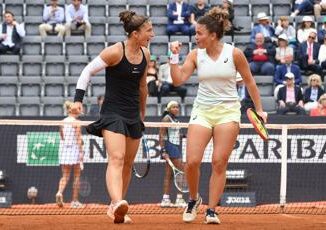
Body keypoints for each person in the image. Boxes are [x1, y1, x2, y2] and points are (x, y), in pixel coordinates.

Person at [169, 6, 267, 224]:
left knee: (219, 162)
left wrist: (259, 109)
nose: (196, 37)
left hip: (228, 112)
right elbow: (178, 80)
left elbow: (250, 81)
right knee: (192, 162)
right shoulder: (195, 55)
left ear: (213, 35)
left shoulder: (234, 54)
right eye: (196, 33)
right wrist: (173, 56)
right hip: (202, 111)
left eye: (199, 33)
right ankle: (194, 199)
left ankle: (212, 210)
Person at [71, 10, 154, 224]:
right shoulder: (115, 51)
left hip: (133, 114)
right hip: (112, 113)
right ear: (135, 33)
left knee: (127, 163)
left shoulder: (146, 54)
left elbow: (143, 86)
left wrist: (142, 113)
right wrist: (78, 99)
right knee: (116, 159)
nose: (152, 34)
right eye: (148, 30)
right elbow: (87, 71)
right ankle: (118, 202)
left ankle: (114, 207)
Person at [56, 101, 84, 209]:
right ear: (74, 110)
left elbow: (62, 137)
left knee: (65, 176)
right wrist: (81, 152)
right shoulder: (76, 123)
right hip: (74, 150)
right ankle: (75, 201)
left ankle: (59, 192)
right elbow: (78, 139)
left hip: (64, 150)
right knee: (77, 176)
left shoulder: (62, 122)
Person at [159, 101, 187, 208]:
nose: (176, 109)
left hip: (175, 146)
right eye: (174, 107)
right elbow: (161, 135)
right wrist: (163, 150)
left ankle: (165, 199)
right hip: (170, 147)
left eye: (177, 107)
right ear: (169, 109)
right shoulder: (166, 119)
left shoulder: (176, 120)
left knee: (169, 174)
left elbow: (176, 133)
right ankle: (179, 199)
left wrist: (184, 135)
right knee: (181, 171)